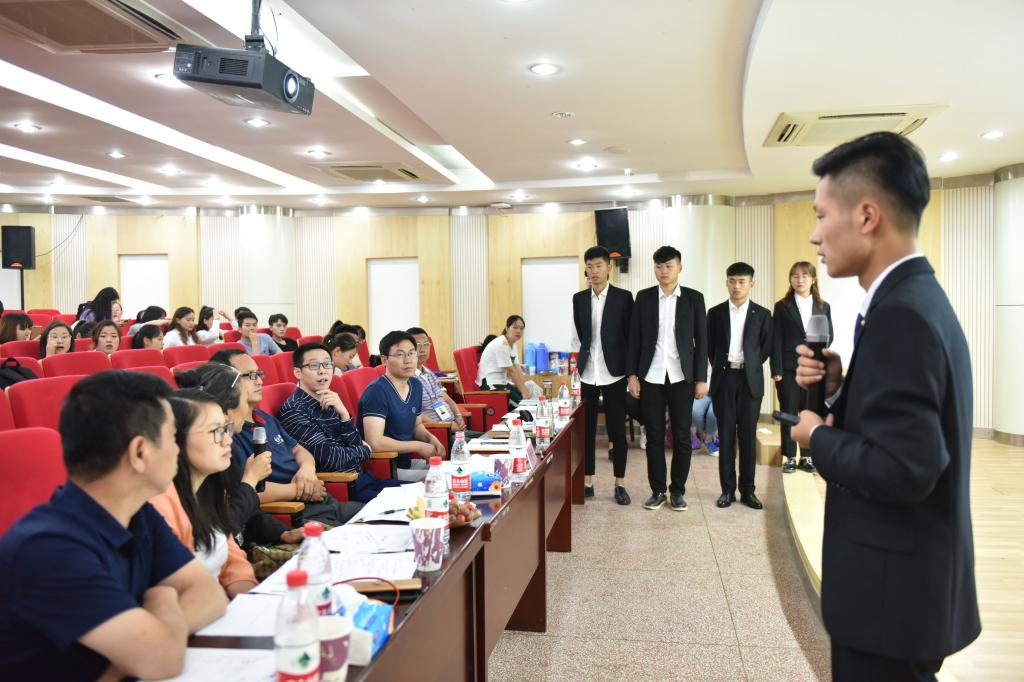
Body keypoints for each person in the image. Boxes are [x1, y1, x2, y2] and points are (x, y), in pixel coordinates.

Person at [791, 131, 979, 680]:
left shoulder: (902, 314)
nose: (815, 235)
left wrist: (815, 435)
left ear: (867, 216)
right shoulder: (912, 299)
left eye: (822, 215)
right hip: (902, 594)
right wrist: (837, 392)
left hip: (889, 598)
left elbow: (906, 467)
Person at [0, 371, 226, 680]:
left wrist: (154, 636)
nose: (177, 450)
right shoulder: (48, 550)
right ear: (139, 452)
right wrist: (163, 596)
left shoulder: (138, 514)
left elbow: (209, 593)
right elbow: (161, 659)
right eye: (172, 438)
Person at [210, 348, 363, 524]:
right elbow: (245, 490)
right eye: (251, 376)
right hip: (292, 513)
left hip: (322, 502)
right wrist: (299, 490)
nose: (259, 381)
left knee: (379, 517)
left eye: (259, 374)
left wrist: (307, 469)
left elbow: (298, 450)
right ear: (227, 382)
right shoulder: (227, 434)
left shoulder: (265, 418)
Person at [174, 363, 303, 548]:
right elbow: (221, 532)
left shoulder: (224, 450)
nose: (227, 440)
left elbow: (246, 513)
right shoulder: (181, 484)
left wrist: (282, 532)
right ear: (226, 411)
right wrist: (250, 480)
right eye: (245, 401)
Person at [150, 392, 257, 598]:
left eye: (226, 428)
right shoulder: (159, 504)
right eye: (216, 431)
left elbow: (232, 559)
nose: (228, 440)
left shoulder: (212, 487)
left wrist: (250, 600)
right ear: (175, 439)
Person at [626, 245, 708, 512]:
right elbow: (634, 339)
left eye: (668, 266)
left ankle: (678, 491)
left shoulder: (694, 298)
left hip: (682, 377)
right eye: (659, 266)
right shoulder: (644, 297)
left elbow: (702, 342)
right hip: (651, 376)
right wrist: (632, 375)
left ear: (679, 267)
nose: (663, 271)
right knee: (654, 436)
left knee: (682, 435)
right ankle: (658, 490)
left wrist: (701, 378)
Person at [279, 343, 407, 500]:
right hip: (342, 489)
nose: (322, 370)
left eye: (327, 364)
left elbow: (354, 442)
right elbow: (332, 460)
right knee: (411, 504)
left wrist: (344, 415)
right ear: (298, 372)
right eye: (314, 365)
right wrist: (365, 450)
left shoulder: (329, 399)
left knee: (422, 491)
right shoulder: (294, 410)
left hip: (364, 479)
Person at [571, 246, 634, 505]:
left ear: (609, 268)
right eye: (589, 266)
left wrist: (631, 373)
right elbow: (581, 335)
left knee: (617, 430)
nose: (594, 271)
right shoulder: (579, 299)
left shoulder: (624, 298)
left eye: (598, 265)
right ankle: (587, 481)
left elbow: (631, 337)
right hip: (588, 372)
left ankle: (620, 483)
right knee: (585, 431)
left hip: (614, 373)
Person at [707, 262, 772, 510]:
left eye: (742, 281)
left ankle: (748, 491)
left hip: (749, 381)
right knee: (726, 437)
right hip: (724, 379)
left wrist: (751, 365)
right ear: (726, 283)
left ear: (751, 284)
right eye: (732, 281)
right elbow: (711, 347)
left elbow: (765, 348)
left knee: (747, 437)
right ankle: (727, 491)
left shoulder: (763, 314)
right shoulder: (715, 313)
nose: (736, 286)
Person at [771, 261, 833, 474]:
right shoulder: (782, 306)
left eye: (805, 276)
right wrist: (776, 369)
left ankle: (807, 457)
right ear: (790, 280)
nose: (800, 280)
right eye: (795, 276)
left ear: (813, 279)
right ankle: (789, 456)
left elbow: (829, 336)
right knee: (789, 412)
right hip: (788, 369)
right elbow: (776, 339)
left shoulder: (824, 307)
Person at [359, 331, 442, 481]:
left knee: (451, 472)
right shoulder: (376, 391)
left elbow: (416, 426)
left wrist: (430, 439)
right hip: (385, 469)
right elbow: (375, 442)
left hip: (406, 463)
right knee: (440, 481)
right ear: (384, 360)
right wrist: (419, 446)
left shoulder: (415, 385)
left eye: (411, 353)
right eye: (400, 355)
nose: (408, 360)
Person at [407, 326, 483, 444]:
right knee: (479, 445)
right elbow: (415, 414)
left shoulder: (429, 373)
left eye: (426, 345)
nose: (422, 350)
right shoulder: (407, 378)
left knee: (488, 439)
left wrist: (458, 416)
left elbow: (447, 399)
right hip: (437, 433)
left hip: (452, 428)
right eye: (418, 345)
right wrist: (446, 426)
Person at [476, 315, 529, 406]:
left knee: (526, 400)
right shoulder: (501, 343)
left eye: (521, 328)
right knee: (523, 404)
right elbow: (511, 371)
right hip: (490, 384)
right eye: (515, 327)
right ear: (507, 328)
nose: (519, 331)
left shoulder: (512, 344)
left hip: (502, 382)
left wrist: (524, 390)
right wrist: (524, 392)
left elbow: (517, 368)